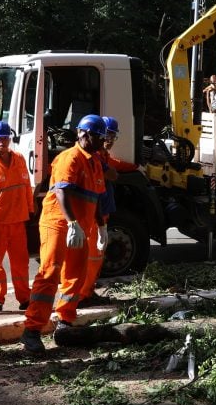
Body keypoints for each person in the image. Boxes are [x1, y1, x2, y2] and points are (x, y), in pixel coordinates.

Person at [20, 114, 107, 355]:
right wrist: (72, 223)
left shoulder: (95, 162)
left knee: (75, 275)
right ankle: (32, 330)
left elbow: (97, 197)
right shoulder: (69, 158)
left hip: (80, 227)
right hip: (58, 223)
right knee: (49, 272)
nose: (103, 142)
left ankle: (65, 321)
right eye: (100, 138)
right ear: (85, 135)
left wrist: (102, 226)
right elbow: (62, 192)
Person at [76, 116, 137, 306]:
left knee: (96, 256)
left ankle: (87, 291)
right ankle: (83, 294)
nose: (109, 140)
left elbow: (112, 166)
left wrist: (135, 166)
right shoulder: (93, 156)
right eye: (107, 135)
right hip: (94, 214)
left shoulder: (101, 155)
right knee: (92, 255)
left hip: (99, 213)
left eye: (112, 136)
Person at [0, 120, 34, 312]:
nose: (2, 141)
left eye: (5, 138)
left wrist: (30, 209)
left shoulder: (19, 159)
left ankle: (24, 298)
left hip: (18, 221)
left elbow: (27, 186)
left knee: (21, 264)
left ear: (9, 139)